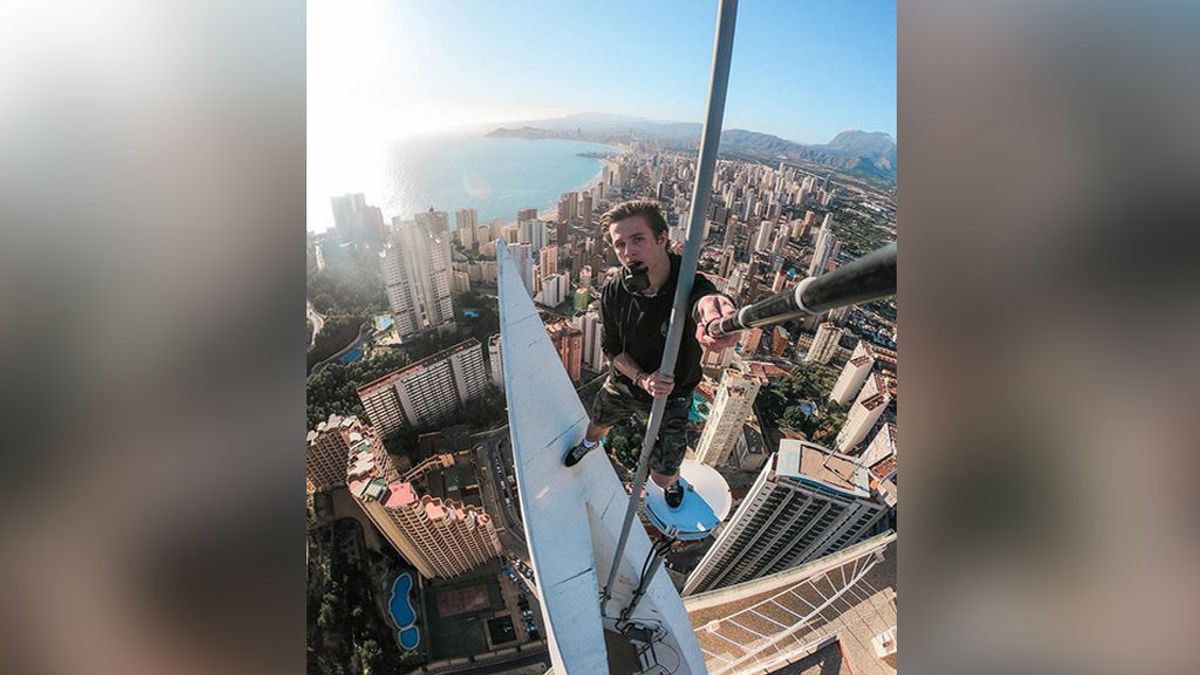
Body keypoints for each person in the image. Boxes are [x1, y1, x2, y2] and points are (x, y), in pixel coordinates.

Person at [563, 200, 738, 508]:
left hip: (675, 394)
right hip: (627, 383)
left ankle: (672, 483)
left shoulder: (689, 283)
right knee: (599, 419)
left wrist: (715, 318)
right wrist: (642, 379)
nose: (628, 251)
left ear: (662, 239)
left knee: (663, 473)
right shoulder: (615, 290)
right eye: (620, 244)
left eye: (638, 239)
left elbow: (705, 302)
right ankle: (590, 444)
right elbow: (611, 348)